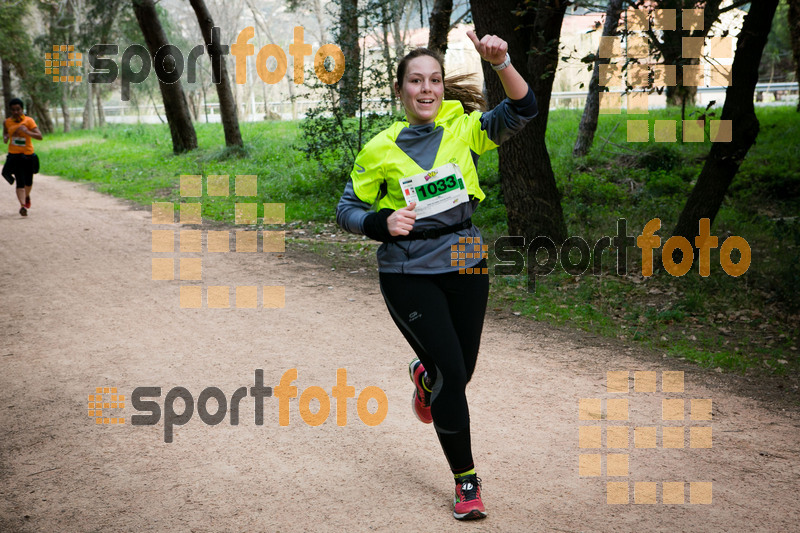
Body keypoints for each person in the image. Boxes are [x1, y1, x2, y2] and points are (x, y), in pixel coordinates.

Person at [336, 30, 538, 521]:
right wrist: (378, 223)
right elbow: (346, 209)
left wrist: (502, 62)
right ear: (400, 89)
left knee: (459, 372)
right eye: (416, 81)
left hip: (466, 260)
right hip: (407, 269)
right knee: (452, 371)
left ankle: (425, 379)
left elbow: (525, 109)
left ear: (443, 87)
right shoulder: (378, 149)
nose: (426, 90)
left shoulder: (464, 129)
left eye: (434, 81)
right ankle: (466, 482)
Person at [3, 97, 42, 217]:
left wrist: (27, 132)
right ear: (10, 110)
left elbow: (39, 136)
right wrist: (6, 138)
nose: (15, 112)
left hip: (27, 154)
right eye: (13, 110)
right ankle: (22, 206)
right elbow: (5, 133)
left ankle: (26, 196)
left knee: (28, 181)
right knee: (19, 181)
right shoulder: (7, 122)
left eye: (18, 109)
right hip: (14, 155)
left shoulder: (29, 121)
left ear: (22, 109)